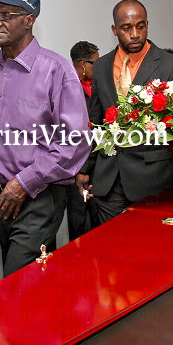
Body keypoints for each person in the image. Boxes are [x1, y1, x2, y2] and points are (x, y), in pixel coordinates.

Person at [0, 0, 90, 276]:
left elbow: (75, 142)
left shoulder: (56, 69)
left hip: (40, 197)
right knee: (27, 282)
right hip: (2, 196)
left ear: (29, 20)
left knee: (17, 280)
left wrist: (23, 183)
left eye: (6, 15)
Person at [77, 0, 173, 226]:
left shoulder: (171, 64)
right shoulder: (101, 66)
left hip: (153, 178)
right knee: (110, 243)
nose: (135, 34)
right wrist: (85, 168)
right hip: (109, 178)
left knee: (150, 243)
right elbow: (96, 121)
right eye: (126, 28)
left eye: (141, 26)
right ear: (114, 29)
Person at [67, 41, 99, 240]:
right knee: (78, 223)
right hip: (74, 167)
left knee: (99, 222)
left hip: (97, 164)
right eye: (96, 63)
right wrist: (81, 169)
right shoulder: (67, 88)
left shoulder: (98, 86)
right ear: (83, 64)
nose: (100, 67)